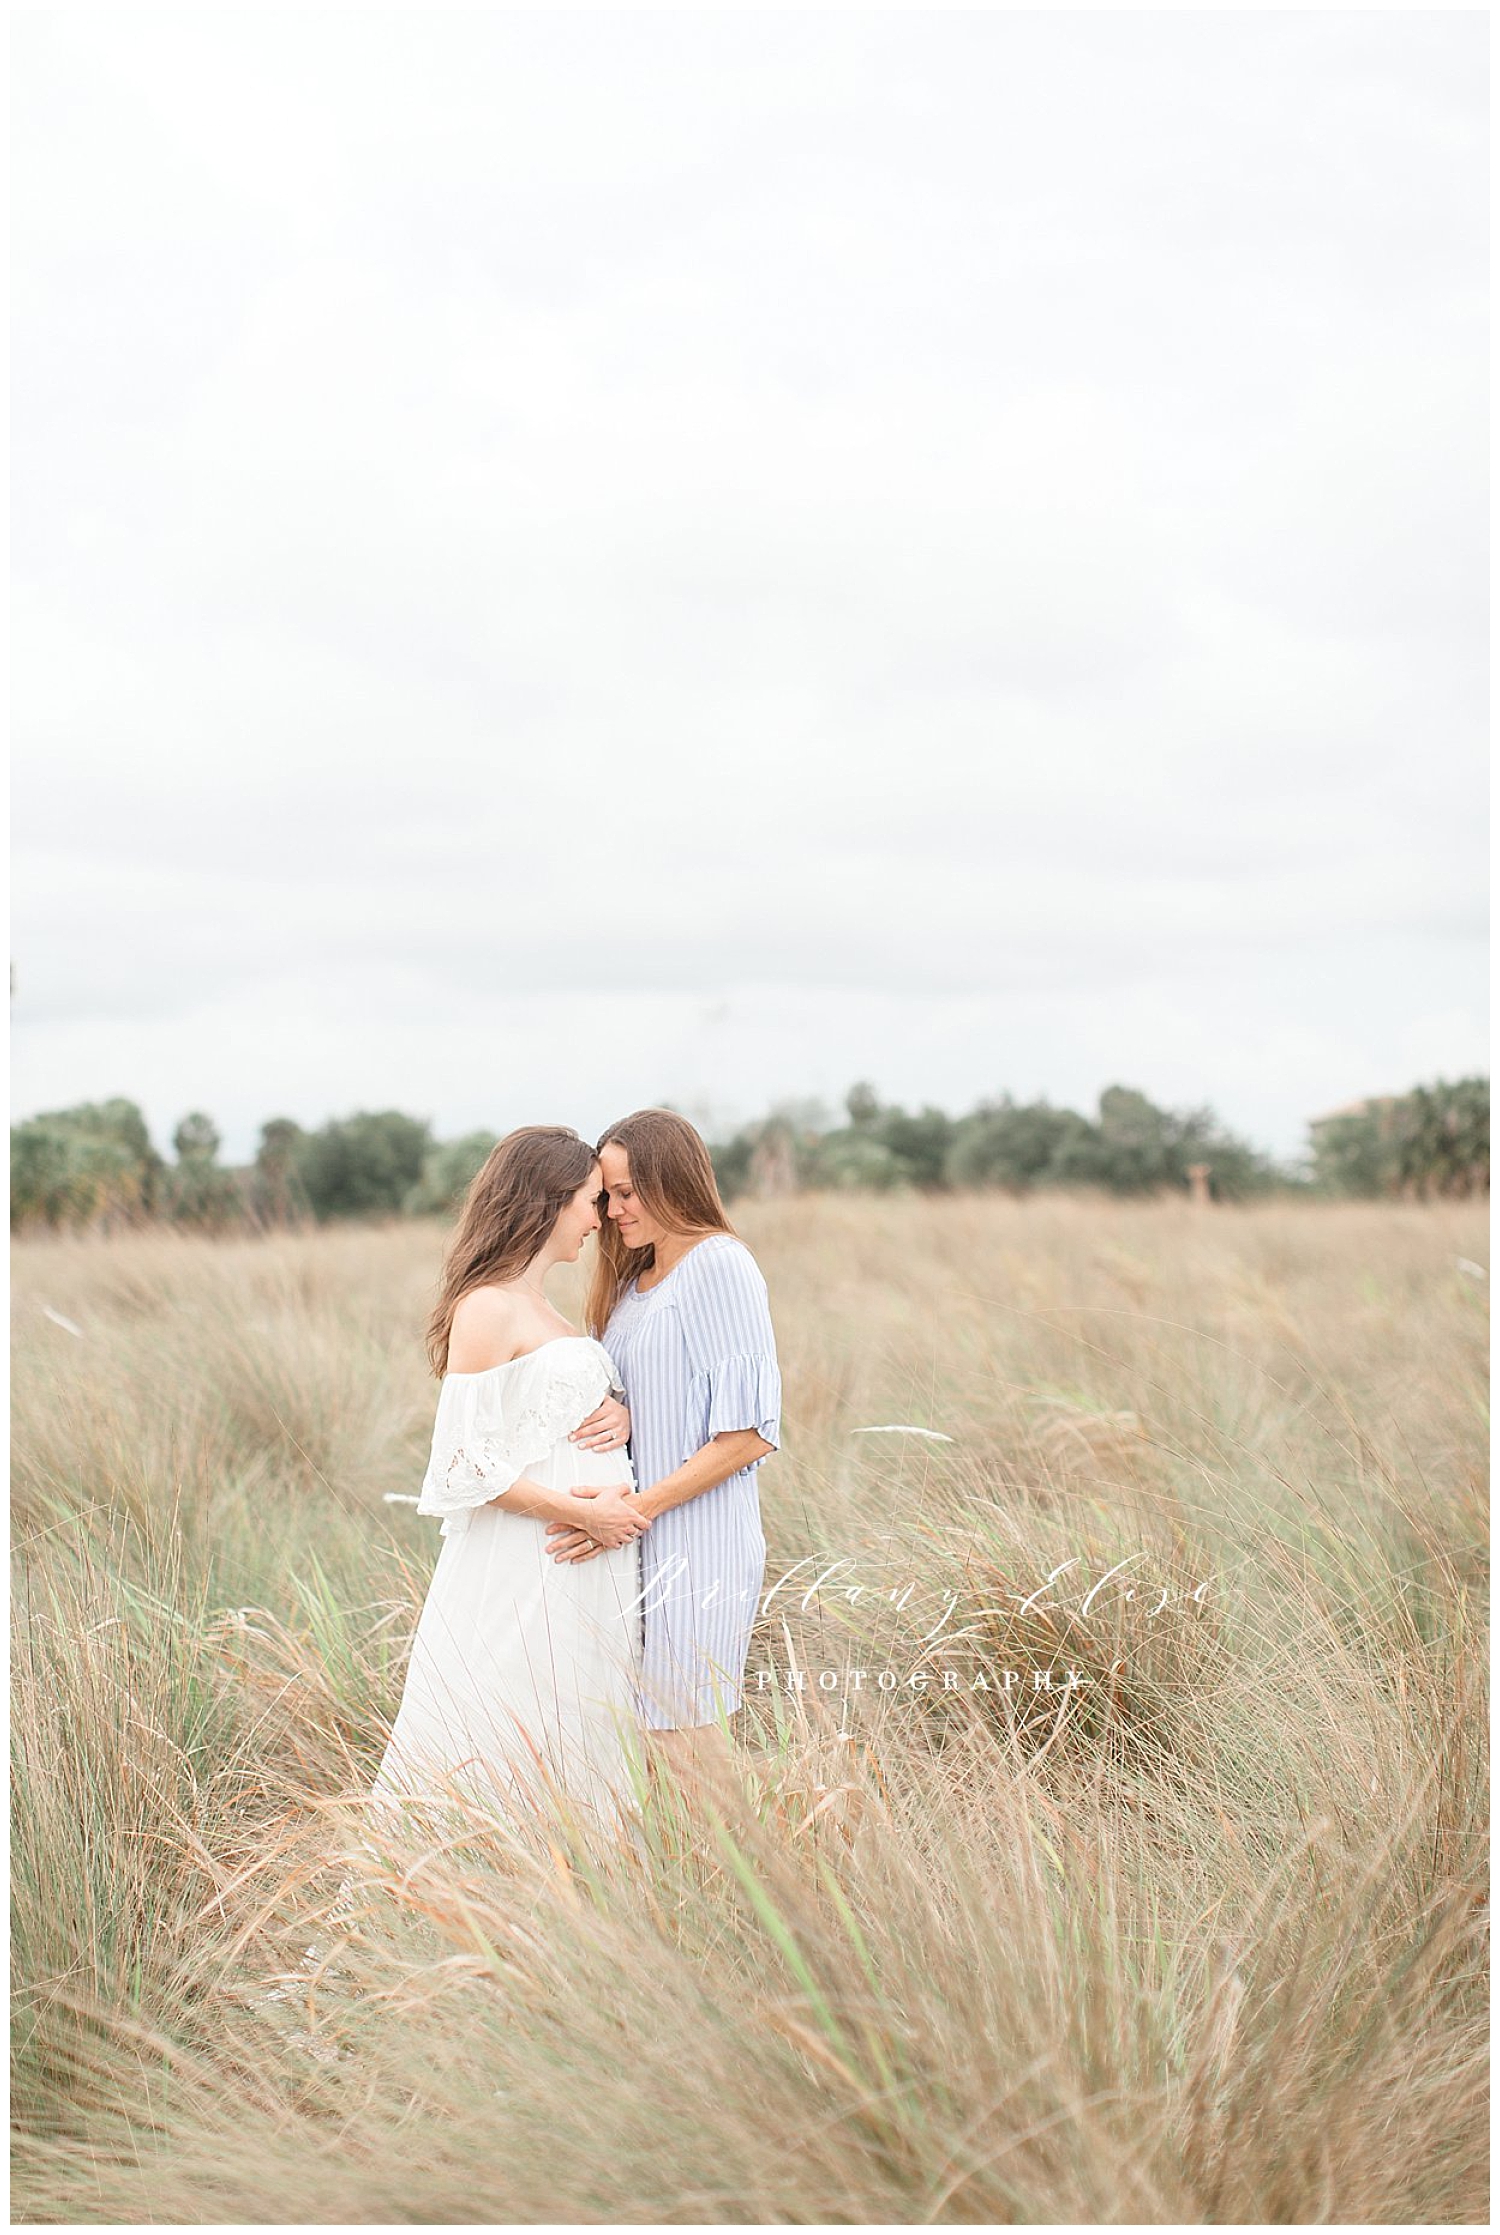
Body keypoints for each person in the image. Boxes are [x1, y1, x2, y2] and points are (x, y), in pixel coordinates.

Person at [368, 1126, 650, 1831]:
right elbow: (463, 1464)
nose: (600, 1217)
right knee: (510, 1707)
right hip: (533, 1556)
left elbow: (541, 1416)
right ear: (548, 1201)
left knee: (580, 1713)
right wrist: (582, 1513)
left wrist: (618, 1412)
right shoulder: (488, 1306)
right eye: (590, 1200)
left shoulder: (553, 1310)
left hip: (587, 1562)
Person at [548, 1108, 781, 1780]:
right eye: (606, 1196)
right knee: (639, 1755)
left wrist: (635, 1508)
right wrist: (622, 1410)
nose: (614, 1211)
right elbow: (650, 1391)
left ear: (672, 1178)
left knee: (687, 1755)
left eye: (626, 1192)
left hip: (696, 1544)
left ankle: (746, 1883)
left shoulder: (720, 1266)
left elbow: (746, 1435)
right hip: (632, 1545)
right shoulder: (631, 1285)